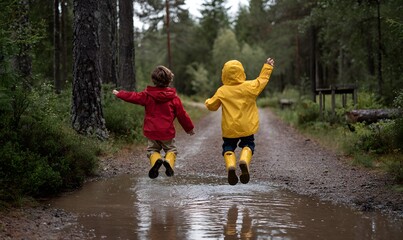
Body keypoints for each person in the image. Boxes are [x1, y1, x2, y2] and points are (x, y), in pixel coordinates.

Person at [113, 65, 195, 179]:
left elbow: (134, 97)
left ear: (153, 80)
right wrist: (189, 128)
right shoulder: (174, 98)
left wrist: (119, 93)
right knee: (171, 150)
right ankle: (168, 162)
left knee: (152, 150)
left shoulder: (147, 95)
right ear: (170, 80)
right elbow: (182, 114)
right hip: (167, 132)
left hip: (151, 131)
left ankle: (157, 160)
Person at [205, 57, 274, 185]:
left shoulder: (222, 90)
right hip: (247, 127)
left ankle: (231, 166)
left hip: (230, 128)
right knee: (248, 144)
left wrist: (207, 101)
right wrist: (267, 67)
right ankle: (244, 161)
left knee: (228, 147)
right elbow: (262, 80)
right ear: (242, 72)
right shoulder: (249, 86)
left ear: (224, 74)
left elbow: (212, 106)